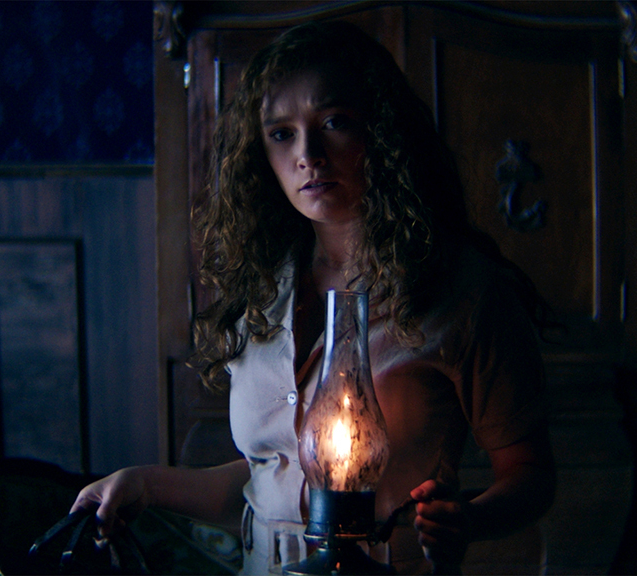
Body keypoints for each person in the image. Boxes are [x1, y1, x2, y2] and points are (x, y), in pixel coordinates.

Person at [71, 20, 556, 575]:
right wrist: (145, 483)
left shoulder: (461, 291)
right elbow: (269, 481)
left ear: (382, 131)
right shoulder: (260, 289)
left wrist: (467, 519)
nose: (309, 154)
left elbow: (530, 474)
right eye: (282, 133)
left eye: (334, 123)